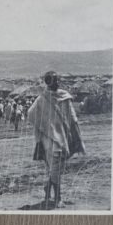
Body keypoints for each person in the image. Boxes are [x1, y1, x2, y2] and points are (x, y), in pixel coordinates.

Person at [28, 71, 85, 208]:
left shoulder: (64, 96)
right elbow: (31, 113)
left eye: (58, 80)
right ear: (50, 82)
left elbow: (72, 117)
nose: (58, 83)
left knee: (54, 167)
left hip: (62, 136)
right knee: (54, 166)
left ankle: (48, 189)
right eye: (55, 80)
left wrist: (75, 134)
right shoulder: (42, 99)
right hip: (49, 138)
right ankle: (58, 197)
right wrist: (45, 127)